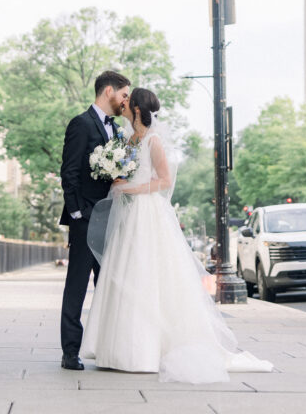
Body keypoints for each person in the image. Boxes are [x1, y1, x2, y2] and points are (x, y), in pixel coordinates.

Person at [81, 87, 273, 383]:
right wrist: (117, 177)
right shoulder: (128, 139)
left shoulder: (153, 141)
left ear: (137, 108)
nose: (123, 102)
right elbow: (127, 172)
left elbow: (164, 180)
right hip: (127, 215)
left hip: (146, 215)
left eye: (128, 100)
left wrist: (130, 187)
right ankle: (115, 349)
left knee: (147, 275)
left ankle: (145, 350)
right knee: (124, 274)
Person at [59, 69, 131, 370]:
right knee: (77, 285)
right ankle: (70, 352)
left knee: (107, 286)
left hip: (110, 220)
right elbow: (70, 172)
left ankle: (104, 348)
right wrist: (78, 213)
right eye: (124, 95)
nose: (126, 102)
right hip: (86, 219)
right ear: (108, 92)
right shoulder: (81, 124)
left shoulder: (115, 130)